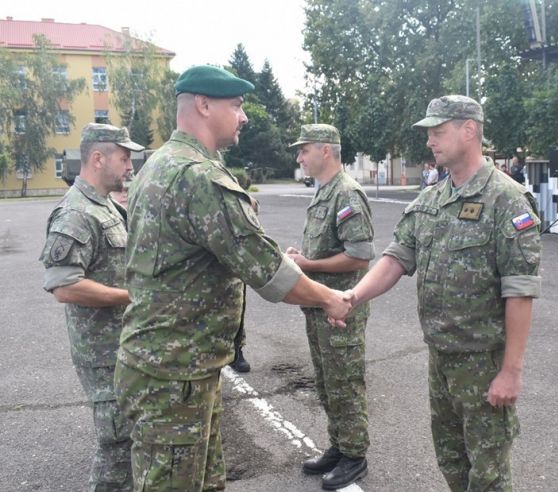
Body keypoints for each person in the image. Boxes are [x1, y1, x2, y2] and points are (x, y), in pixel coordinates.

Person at [113, 65, 351, 492]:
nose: (243, 117)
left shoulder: (158, 164)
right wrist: (330, 299)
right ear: (204, 105)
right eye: (237, 106)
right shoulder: (198, 177)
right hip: (175, 375)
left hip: (169, 366)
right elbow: (270, 272)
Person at [337, 95, 542, 491]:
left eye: (438, 131)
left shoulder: (506, 199)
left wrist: (511, 372)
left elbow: (520, 291)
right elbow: (396, 258)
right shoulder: (432, 199)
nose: (430, 141)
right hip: (440, 358)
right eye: (429, 132)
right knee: (451, 460)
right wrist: (353, 297)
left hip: (483, 363)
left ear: (469, 130)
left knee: (488, 476)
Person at [40, 123, 144, 491]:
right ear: (98, 158)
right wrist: (132, 296)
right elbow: (64, 286)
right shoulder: (76, 213)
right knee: (117, 445)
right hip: (103, 352)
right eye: (124, 158)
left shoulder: (105, 205)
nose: (129, 166)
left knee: (130, 440)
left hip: (122, 345)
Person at [286, 124, 374, 490]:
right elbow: (328, 247)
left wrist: (308, 264)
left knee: (344, 383)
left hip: (341, 309)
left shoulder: (347, 193)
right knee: (326, 382)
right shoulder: (324, 191)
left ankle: (354, 455)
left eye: (304, 149)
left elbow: (359, 256)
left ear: (325, 150)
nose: (299, 157)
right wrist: (303, 256)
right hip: (319, 307)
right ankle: (339, 445)